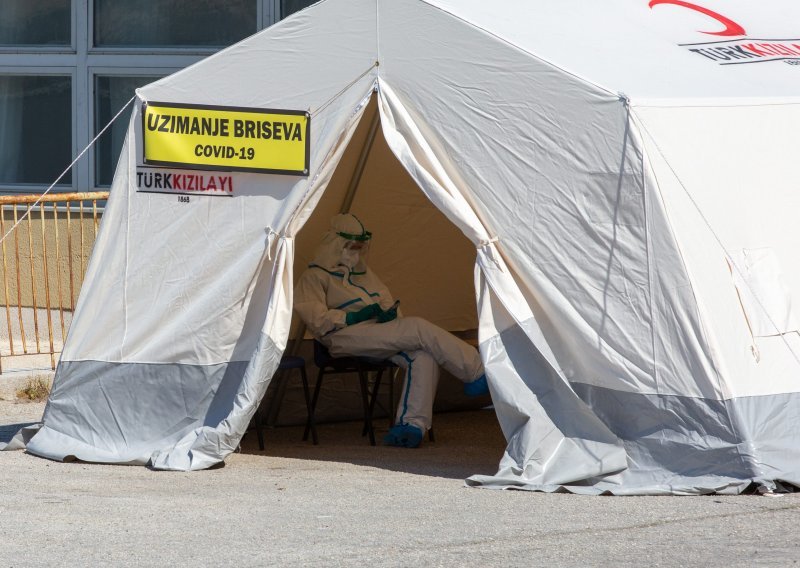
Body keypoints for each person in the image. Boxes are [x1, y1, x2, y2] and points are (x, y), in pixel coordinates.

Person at [294, 213, 489, 448]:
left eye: (359, 247)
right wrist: (352, 316)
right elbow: (316, 321)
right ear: (336, 244)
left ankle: (411, 426)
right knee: (417, 327)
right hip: (340, 338)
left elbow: (387, 301)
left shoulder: (364, 273)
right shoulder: (314, 276)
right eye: (351, 247)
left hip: (376, 333)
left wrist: (389, 314)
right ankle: (476, 370)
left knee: (423, 356)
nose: (355, 253)